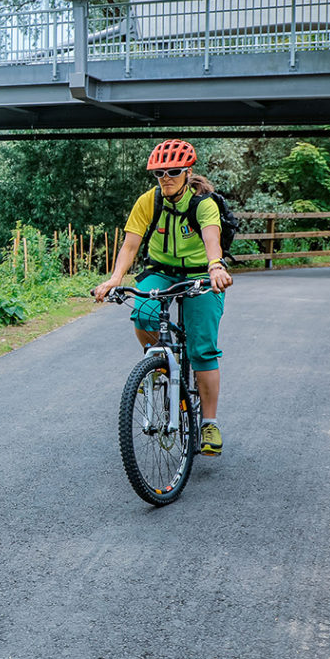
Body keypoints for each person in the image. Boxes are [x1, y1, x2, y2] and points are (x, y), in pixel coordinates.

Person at [93, 139, 234, 455]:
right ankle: (159, 358)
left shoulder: (203, 204)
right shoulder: (148, 202)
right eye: (159, 173)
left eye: (173, 171)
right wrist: (115, 279)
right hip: (160, 270)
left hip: (201, 272)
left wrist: (215, 267)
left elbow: (213, 239)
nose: (166, 177)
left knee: (203, 349)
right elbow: (130, 246)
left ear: (187, 171)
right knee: (141, 311)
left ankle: (208, 423)